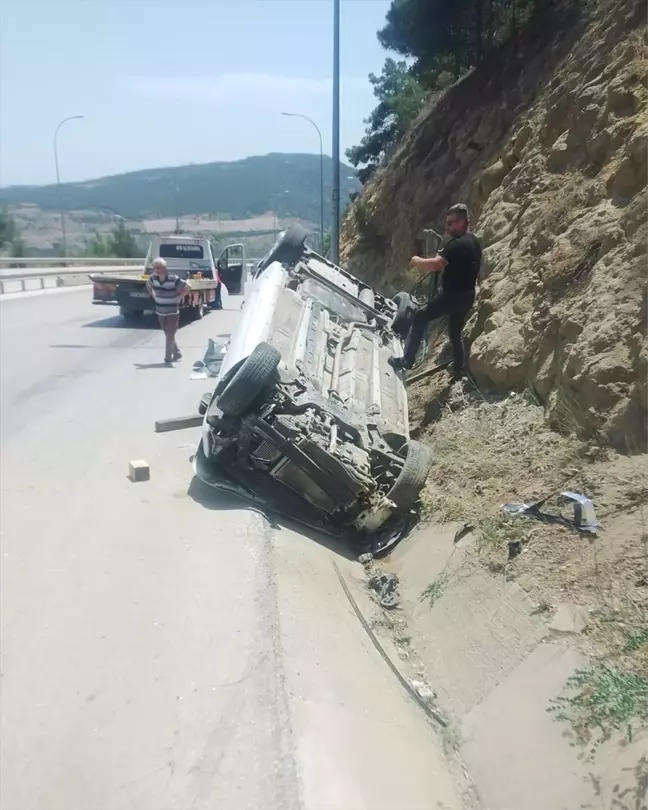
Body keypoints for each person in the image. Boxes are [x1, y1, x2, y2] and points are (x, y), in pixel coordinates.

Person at [389, 203, 482, 380]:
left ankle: (407, 361)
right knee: (455, 332)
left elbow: (436, 264)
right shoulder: (474, 241)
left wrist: (416, 260)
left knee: (420, 316)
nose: (447, 227)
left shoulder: (455, 244)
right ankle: (459, 371)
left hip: (452, 296)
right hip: (468, 295)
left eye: (451, 223)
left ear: (463, 222)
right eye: (446, 223)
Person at [146, 257, 189, 365]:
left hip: (172, 311)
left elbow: (188, 286)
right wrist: (153, 294)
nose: (156, 270)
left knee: (170, 333)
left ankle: (167, 357)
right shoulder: (153, 278)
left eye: (158, 268)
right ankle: (177, 353)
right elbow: (148, 284)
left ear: (164, 268)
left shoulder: (173, 278)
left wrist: (180, 296)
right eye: (155, 268)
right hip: (160, 310)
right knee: (167, 333)